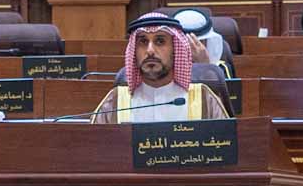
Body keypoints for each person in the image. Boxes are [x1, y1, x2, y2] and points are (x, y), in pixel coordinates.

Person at [93, 14, 228, 123]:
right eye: (143, 42)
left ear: (175, 50)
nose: (150, 50)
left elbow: (224, 149)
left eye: (160, 41)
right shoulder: (115, 101)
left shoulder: (202, 98)